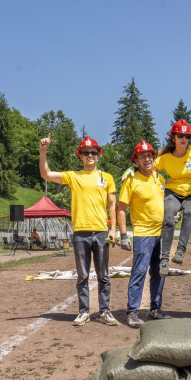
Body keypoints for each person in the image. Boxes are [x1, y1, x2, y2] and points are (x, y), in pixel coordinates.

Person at [40, 133, 118, 327]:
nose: (89, 155)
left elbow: (112, 205)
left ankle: (104, 311)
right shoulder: (73, 177)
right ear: (80, 156)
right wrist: (43, 152)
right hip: (80, 233)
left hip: (101, 232)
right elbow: (46, 174)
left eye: (93, 152)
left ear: (98, 155)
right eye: (85, 152)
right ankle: (83, 311)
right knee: (82, 276)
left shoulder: (106, 177)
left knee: (103, 275)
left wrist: (113, 229)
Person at [117, 141, 169, 328]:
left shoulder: (159, 178)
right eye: (142, 156)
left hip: (161, 233)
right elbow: (121, 208)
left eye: (149, 155)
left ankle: (155, 309)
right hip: (143, 234)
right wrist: (123, 234)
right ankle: (132, 312)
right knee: (139, 272)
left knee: (159, 273)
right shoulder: (131, 179)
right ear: (136, 159)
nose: (147, 159)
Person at [155, 119, 191, 275]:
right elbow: (149, 167)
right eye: (180, 135)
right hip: (173, 192)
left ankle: (180, 251)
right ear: (173, 137)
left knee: (190, 213)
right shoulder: (165, 158)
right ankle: (164, 260)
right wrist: (133, 168)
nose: (184, 139)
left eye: (187, 136)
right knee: (169, 218)